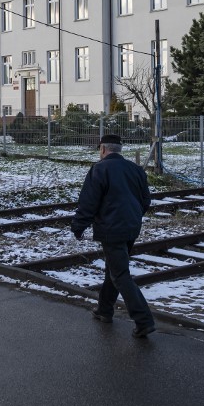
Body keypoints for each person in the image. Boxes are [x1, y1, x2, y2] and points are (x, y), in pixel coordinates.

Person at [71, 134, 155, 338]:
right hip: (131, 227)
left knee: (120, 274)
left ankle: (144, 320)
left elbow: (89, 202)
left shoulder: (99, 169)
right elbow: (146, 200)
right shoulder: (135, 169)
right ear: (119, 149)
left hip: (111, 229)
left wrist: (78, 226)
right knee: (114, 269)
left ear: (102, 149)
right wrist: (133, 217)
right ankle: (104, 310)